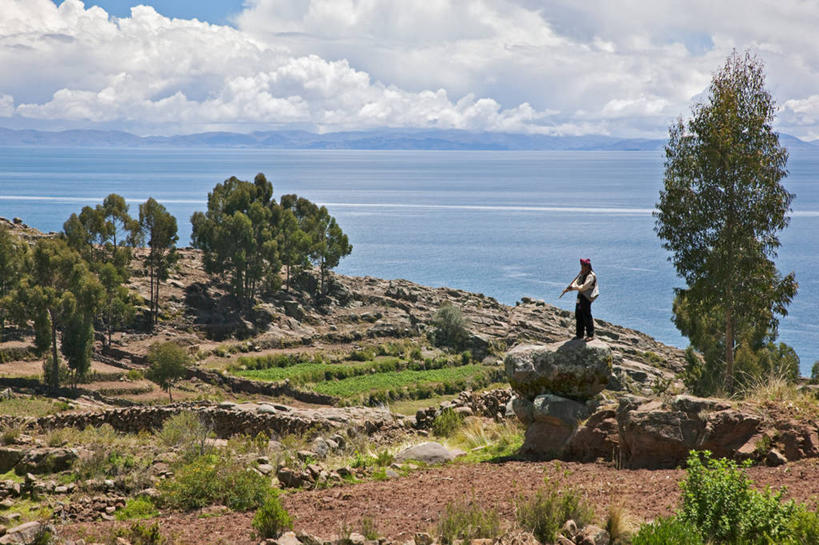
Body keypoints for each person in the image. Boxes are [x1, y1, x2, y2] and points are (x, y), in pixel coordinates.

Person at [568, 258, 597, 340]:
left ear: (587, 266)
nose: (581, 268)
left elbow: (584, 287)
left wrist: (573, 288)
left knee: (586, 315)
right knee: (578, 314)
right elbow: (577, 282)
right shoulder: (582, 274)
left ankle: (590, 335)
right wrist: (571, 287)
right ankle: (579, 334)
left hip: (587, 297)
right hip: (580, 296)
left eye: (582, 266)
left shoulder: (591, 276)